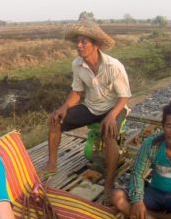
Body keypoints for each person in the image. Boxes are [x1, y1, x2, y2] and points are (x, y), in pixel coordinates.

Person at [43, 20, 132, 197]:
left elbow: (124, 97)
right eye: (77, 42)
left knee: (109, 135)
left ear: (96, 45)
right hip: (91, 107)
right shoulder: (77, 64)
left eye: (84, 42)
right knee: (55, 121)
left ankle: (108, 182)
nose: (79, 45)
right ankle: (52, 165)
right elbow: (77, 92)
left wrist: (112, 116)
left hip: (115, 108)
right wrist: (63, 108)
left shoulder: (114, 66)